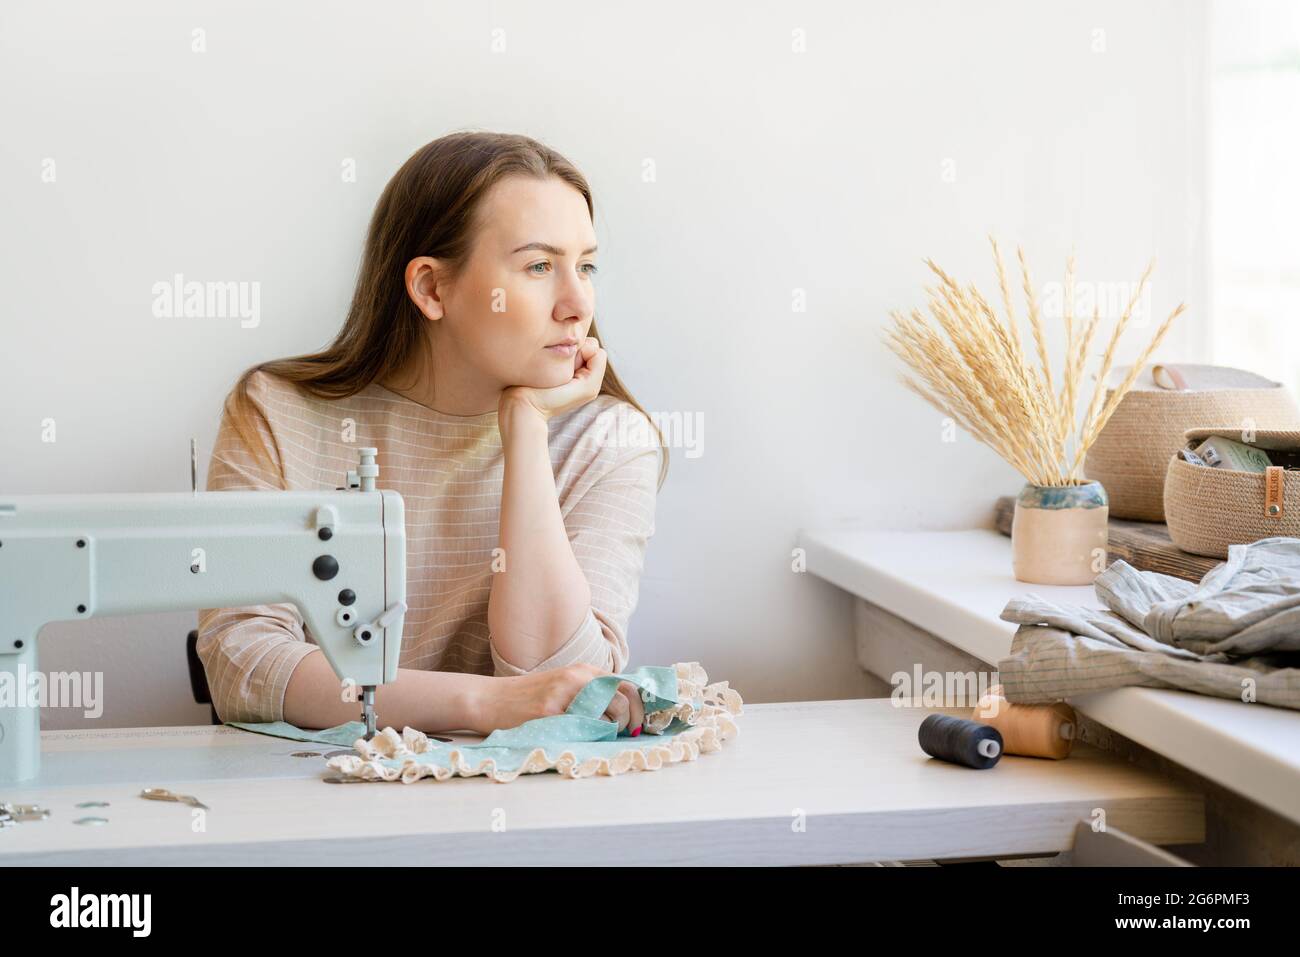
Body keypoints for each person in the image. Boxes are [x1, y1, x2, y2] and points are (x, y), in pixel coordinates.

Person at [196, 131, 667, 737]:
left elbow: (566, 686)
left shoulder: (611, 440)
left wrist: (526, 429)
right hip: (312, 793)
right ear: (431, 287)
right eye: (539, 266)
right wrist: (487, 704)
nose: (578, 303)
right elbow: (244, 666)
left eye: (586, 266)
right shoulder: (276, 415)